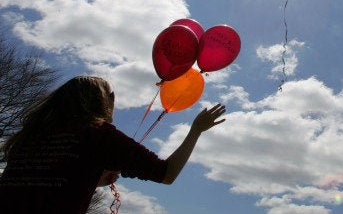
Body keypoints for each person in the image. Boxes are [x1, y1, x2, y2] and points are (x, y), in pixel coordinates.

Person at [0, 76, 225, 213]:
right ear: (100, 101)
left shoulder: (28, 138)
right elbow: (166, 174)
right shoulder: (97, 134)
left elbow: (41, 184)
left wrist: (94, 177)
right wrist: (196, 130)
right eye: (112, 97)